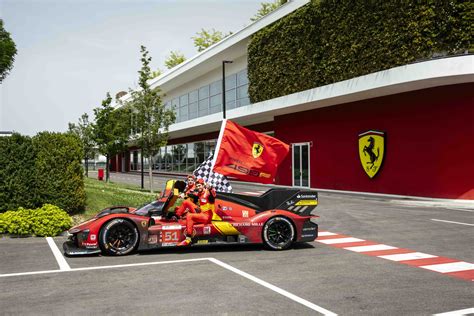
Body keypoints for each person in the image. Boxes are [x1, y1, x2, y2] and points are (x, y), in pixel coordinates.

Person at [178, 178, 215, 246]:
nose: (198, 187)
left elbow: (213, 197)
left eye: (199, 186)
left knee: (189, 215)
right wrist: (184, 195)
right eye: (197, 186)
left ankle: (188, 239)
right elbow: (193, 196)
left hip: (207, 217)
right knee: (186, 202)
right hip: (201, 213)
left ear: (203, 186)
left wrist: (210, 188)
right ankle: (177, 216)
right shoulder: (200, 193)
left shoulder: (208, 193)